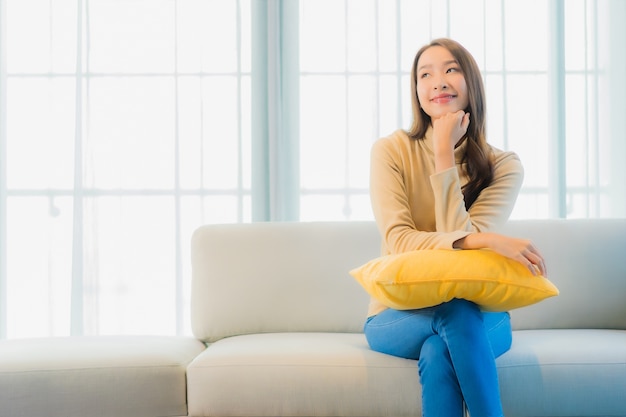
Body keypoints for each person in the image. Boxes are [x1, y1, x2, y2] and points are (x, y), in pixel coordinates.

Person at [364, 38, 547, 417]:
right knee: (454, 315)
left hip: (481, 316)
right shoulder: (391, 151)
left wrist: (444, 154)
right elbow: (399, 241)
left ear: (471, 82)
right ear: (416, 91)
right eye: (425, 74)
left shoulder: (504, 166)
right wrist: (485, 238)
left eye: (450, 69)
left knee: (444, 338)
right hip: (396, 315)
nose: (438, 82)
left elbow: (461, 264)